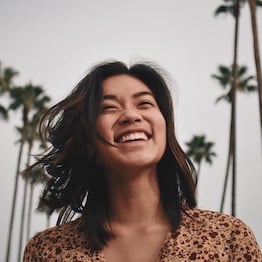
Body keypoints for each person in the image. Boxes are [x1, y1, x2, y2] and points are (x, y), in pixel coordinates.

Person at [23, 60, 261, 261]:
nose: (130, 115)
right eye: (109, 108)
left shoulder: (228, 238)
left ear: (164, 128)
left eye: (144, 103)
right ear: (88, 142)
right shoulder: (46, 251)